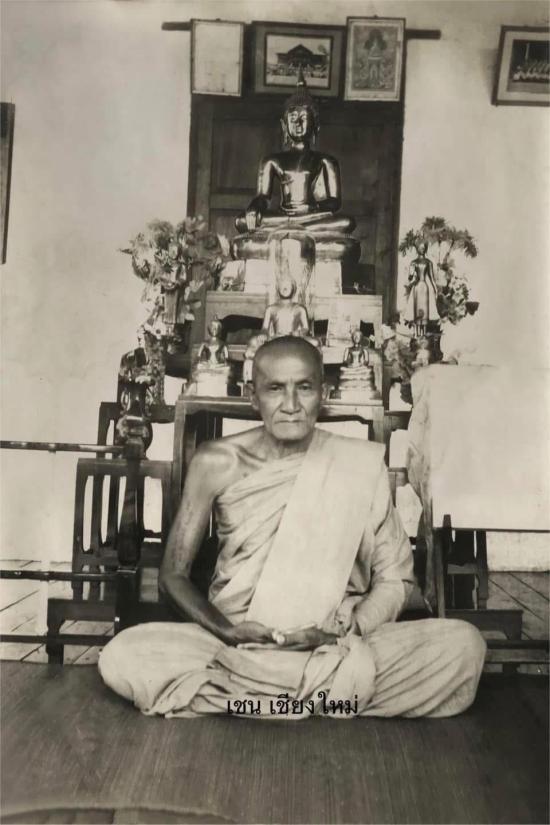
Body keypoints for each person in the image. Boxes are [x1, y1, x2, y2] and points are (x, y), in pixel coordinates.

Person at [99, 336, 486, 719]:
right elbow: (172, 576)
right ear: (253, 396)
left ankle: (253, 696)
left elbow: (395, 579)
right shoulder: (215, 462)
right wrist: (227, 631)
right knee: (122, 655)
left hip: (331, 641)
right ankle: (332, 693)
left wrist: (346, 631)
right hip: (237, 640)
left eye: (304, 388)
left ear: (324, 393)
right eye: (274, 389)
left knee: (464, 644)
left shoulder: (358, 463)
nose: (290, 405)